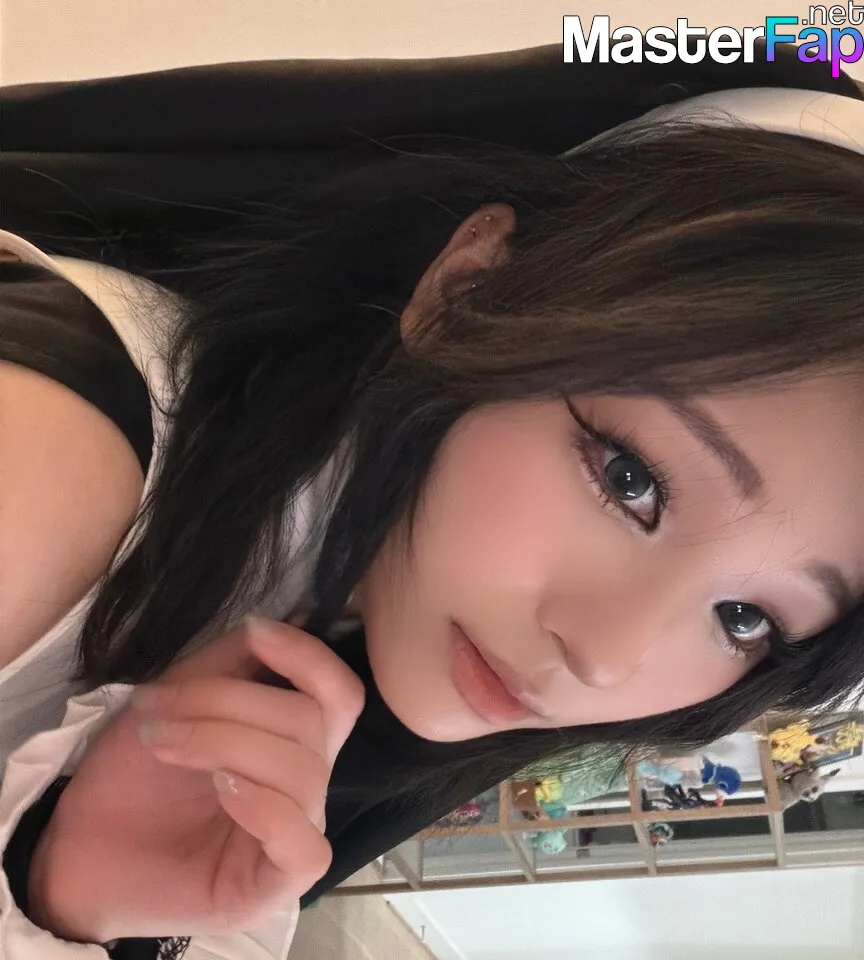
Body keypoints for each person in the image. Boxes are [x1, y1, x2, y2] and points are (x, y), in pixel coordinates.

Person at [1, 40, 864, 960]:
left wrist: (66, 903)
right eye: (631, 481)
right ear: (469, 290)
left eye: (744, 618)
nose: (607, 658)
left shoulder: (357, 666)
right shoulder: (49, 466)